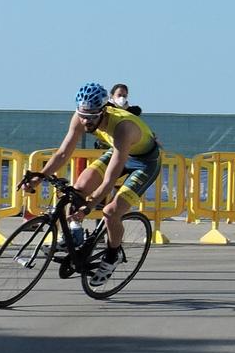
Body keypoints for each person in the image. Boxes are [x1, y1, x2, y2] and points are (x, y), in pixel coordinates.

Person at [33, 82, 163, 285]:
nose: (85, 121)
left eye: (92, 117)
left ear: (103, 111)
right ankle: (74, 234)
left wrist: (88, 207)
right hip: (118, 151)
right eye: (82, 115)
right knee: (78, 188)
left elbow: (110, 179)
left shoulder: (123, 127)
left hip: (144, 163)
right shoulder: (81, 116)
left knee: (111, 212)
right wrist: (39, 176)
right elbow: (63, 153)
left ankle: (112, 256)